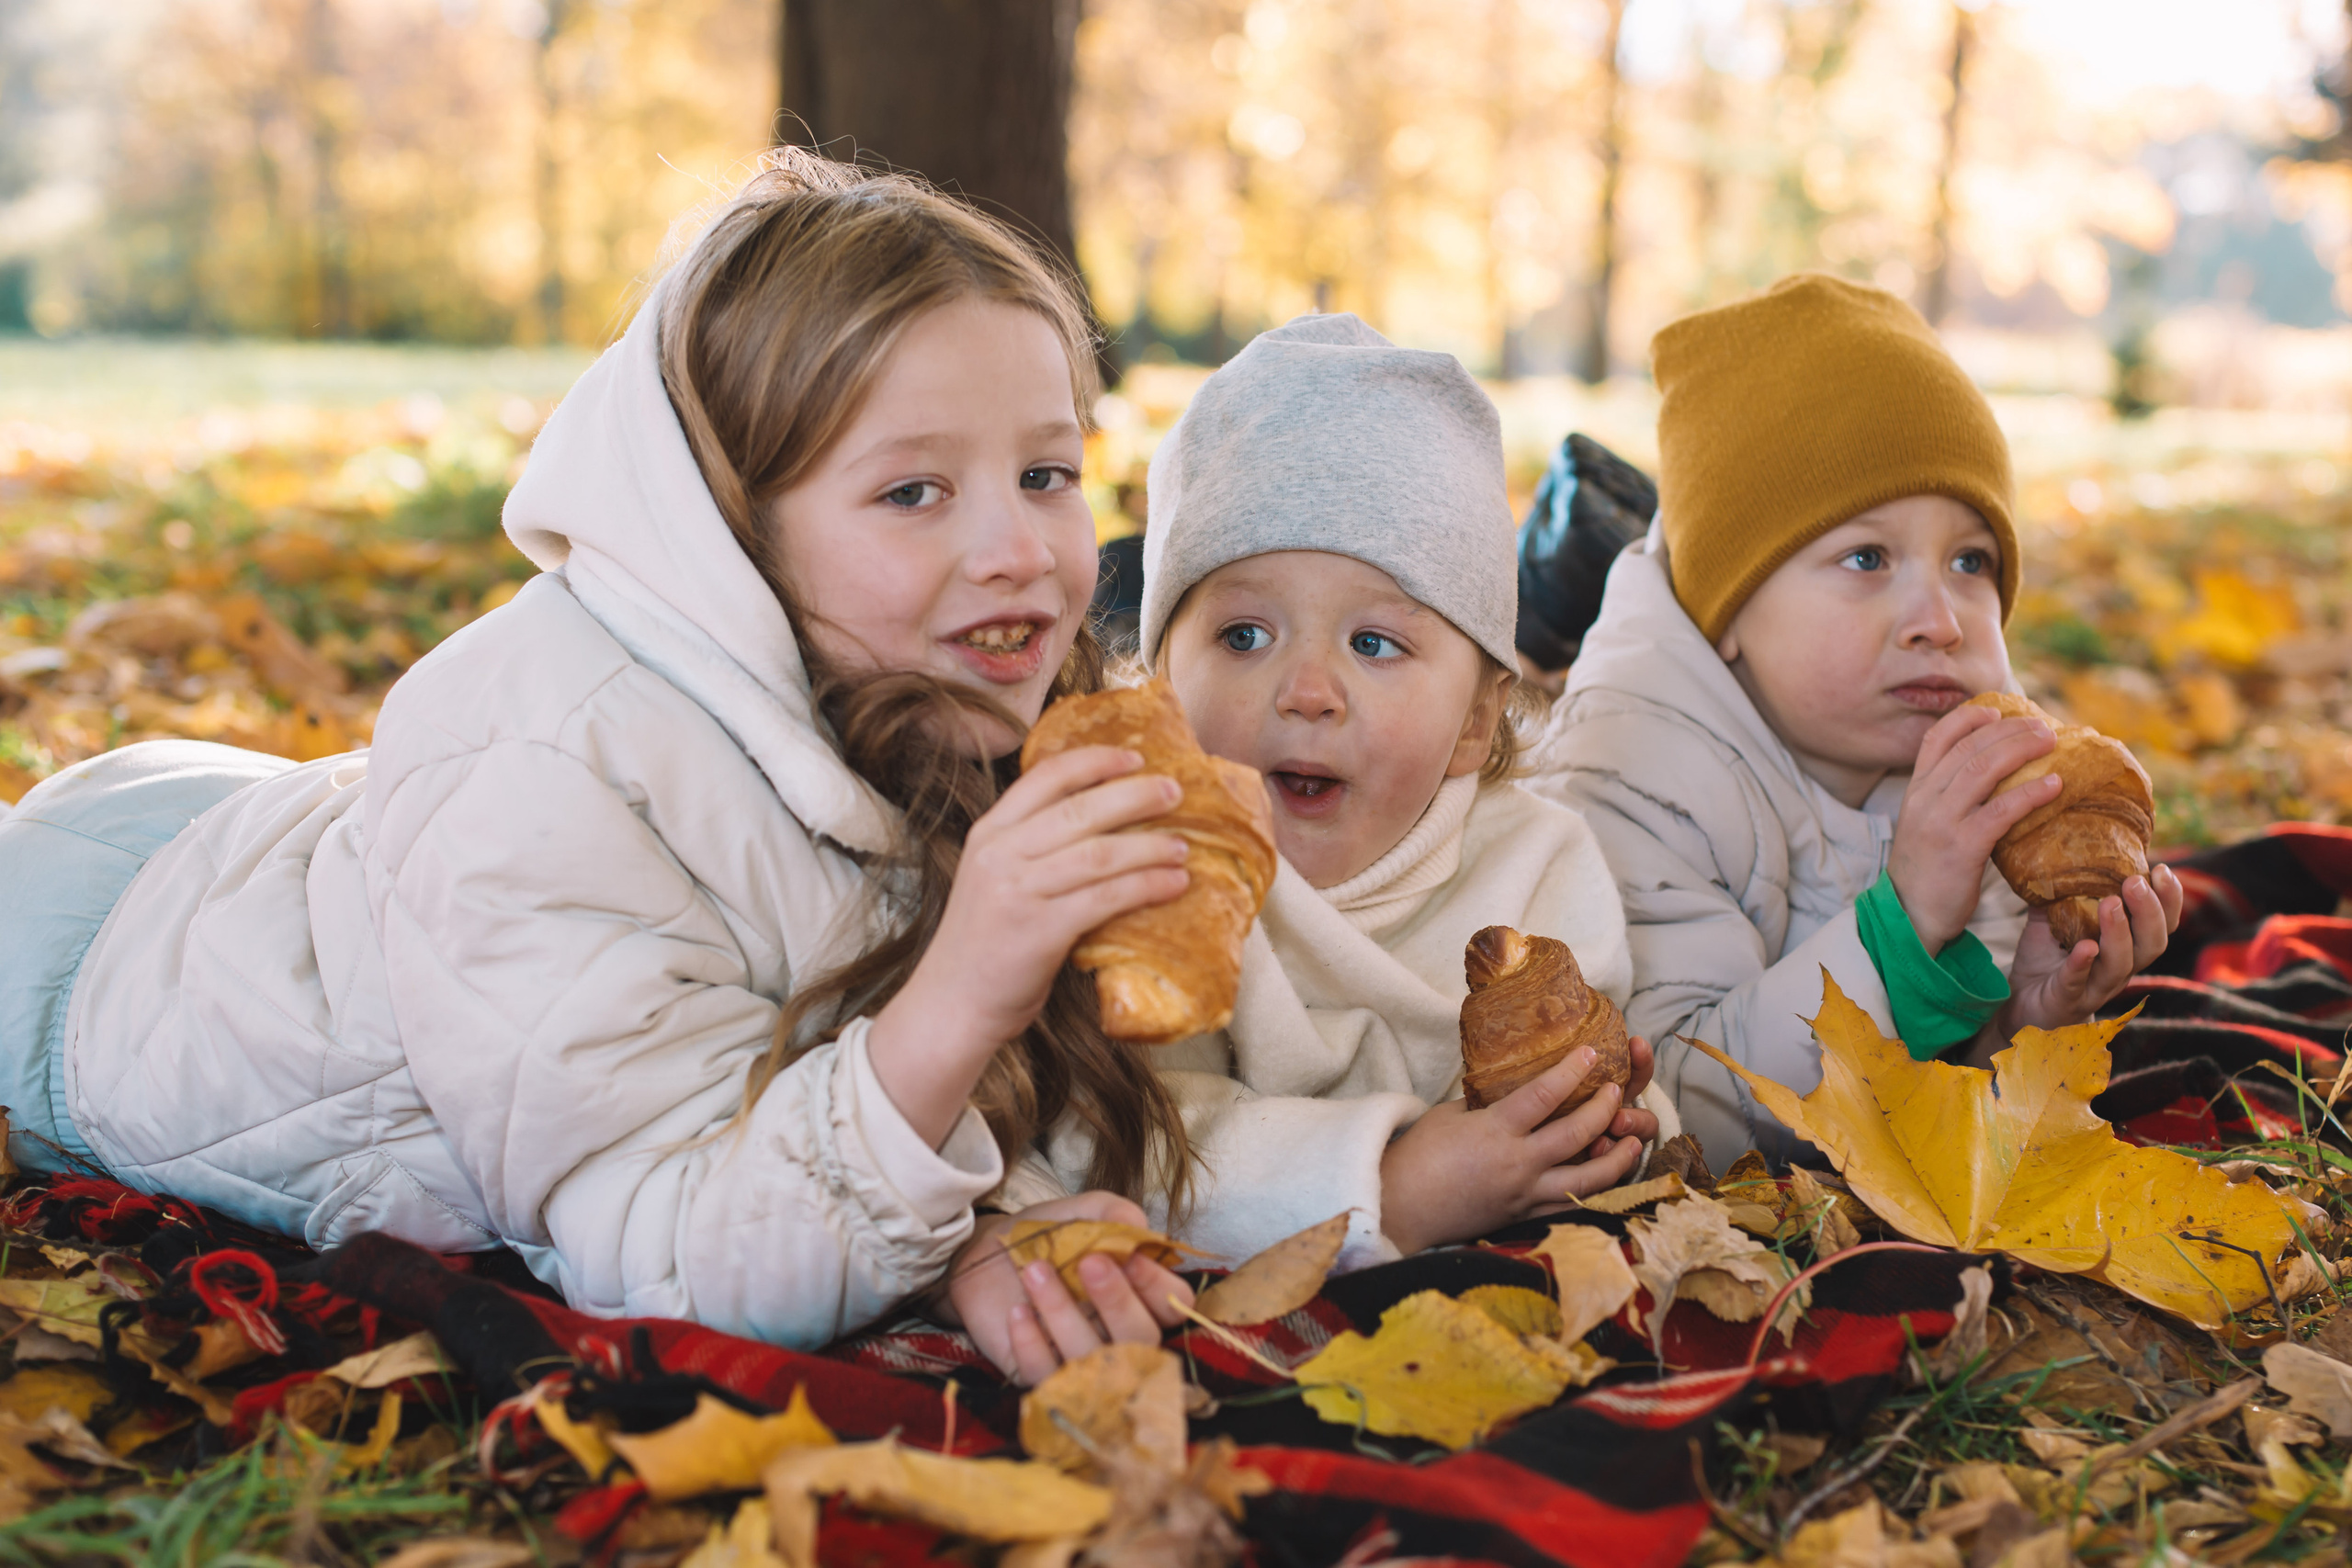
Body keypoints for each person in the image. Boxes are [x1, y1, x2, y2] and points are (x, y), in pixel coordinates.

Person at [0, 150, 1199, 1354]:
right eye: (913, 491)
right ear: (730, 521)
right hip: (73, 963)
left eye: (1047, 472)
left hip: (279, 838)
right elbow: (664, 1248)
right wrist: (964, 986)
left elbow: (1029, 1099)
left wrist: (994, 1229)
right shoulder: (535, 770)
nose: (1019, 547)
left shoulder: (947, 683)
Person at [949, 314, 1673, 1382]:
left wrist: (1604, 1128)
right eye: (1244, 635)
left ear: (1476, 722)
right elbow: (1122, 1139)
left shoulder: (1537, 867)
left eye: (1375, 643)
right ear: (1156, 682)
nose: (1306, 690)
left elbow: (1607, 1085)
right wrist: (1399, 1182)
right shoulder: (1151, 873)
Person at [1525, 275, 2182, 1168]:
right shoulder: (1633, 777)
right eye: (1866, 557)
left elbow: (1935, 1098)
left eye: (1970, 560)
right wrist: (1902, 928)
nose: (1940, 619)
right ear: (1728, 611)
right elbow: (1680, 1108)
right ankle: (1551, 601)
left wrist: (2024, 1016)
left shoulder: (1979, 782)